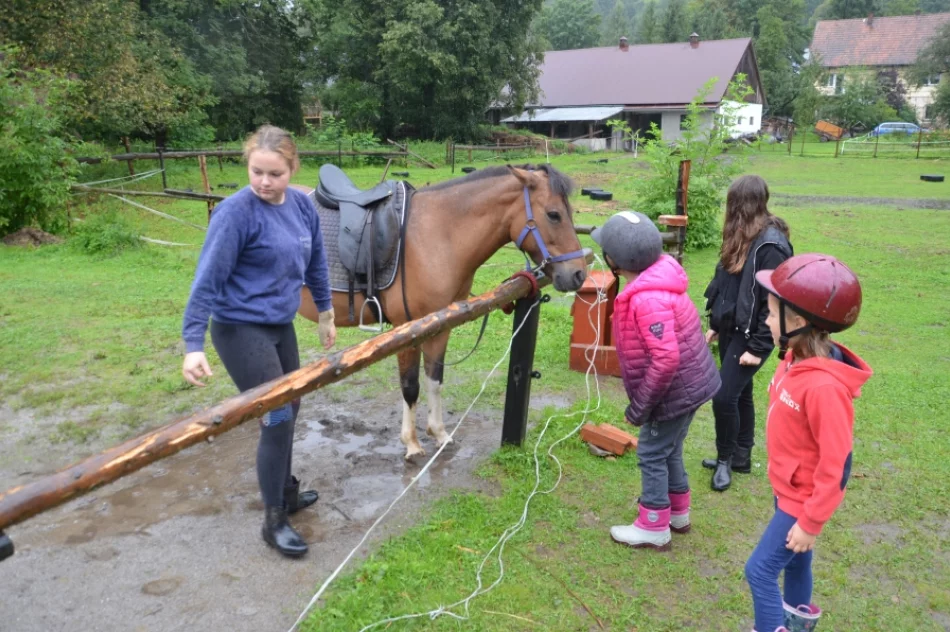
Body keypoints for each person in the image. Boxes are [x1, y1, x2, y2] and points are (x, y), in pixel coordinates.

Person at [180, 125, 337, 559]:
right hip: (237, 327)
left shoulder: (303, 209)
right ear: (247, 166)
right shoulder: (235, 213)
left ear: (292, 169)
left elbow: (317, 262)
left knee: (295, 402)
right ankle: (273, 520)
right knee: (277, 415)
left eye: (275, 174)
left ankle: (285, 492)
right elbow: (207, 279)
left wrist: (325, 313)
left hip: (278, 324)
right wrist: (193, 343)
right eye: (256, 172)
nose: (265, 183)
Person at [745, 253, 871, 632]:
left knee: (760, 571)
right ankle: (797, 622)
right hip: (787, 487)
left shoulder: (824, 387)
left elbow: (838, 464)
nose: (765, 319)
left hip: (802, 501)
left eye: (771, 313)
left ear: (798, 322)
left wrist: (811, 522)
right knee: (797, 561)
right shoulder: (792, 358)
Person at [591, 212, 721, 551]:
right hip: (691, 387)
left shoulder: (647, 299)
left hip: (673, 392)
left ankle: (653, 524)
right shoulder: (655, 281)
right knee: (670, 448)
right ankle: (678, 512)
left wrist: (641, 406)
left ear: (614, 260)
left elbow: (666, 359)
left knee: (650, 452)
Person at [702, 175, 793, 492]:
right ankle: (740, 457)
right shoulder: (741, 236)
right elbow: (726, 285)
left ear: (748, 205)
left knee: (723, 396)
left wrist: (757, 346)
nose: (731, 213)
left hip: (753, 333)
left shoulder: (772, 246)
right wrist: (715, 323)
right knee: (739, 394)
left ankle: (725, 459)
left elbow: (776, 303)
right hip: (731, 327)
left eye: (735, 206)